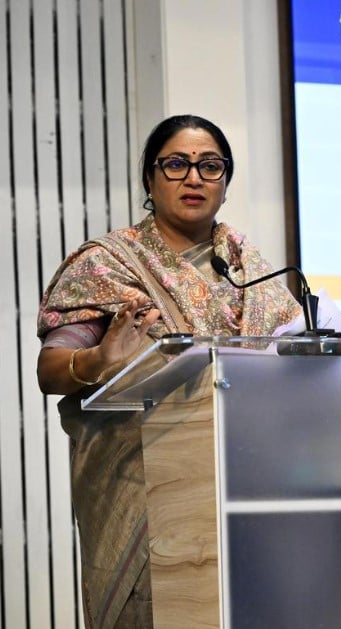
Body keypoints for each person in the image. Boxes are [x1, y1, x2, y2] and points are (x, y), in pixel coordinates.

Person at [35, 114, 315, 628]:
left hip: (250, 492)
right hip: (144, 498)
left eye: (210, 166)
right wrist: (99, 360)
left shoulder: (251, 270)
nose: (193, 178)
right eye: (176, 164)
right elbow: (51, 371)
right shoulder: (107, 265)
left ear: (225, 182)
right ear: (150, 178)